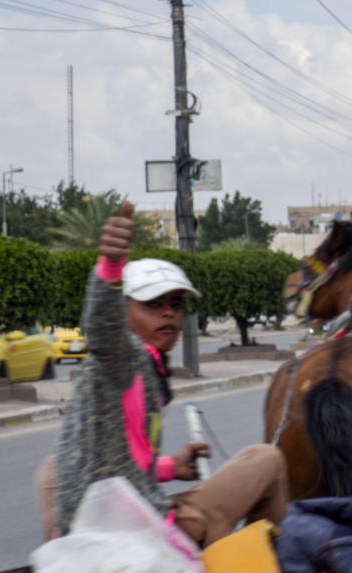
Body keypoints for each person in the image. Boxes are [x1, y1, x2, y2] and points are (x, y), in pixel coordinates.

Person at [34, 202, 289, 547]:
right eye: (152, 304)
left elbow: (119, 464)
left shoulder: (145, 369)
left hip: (96, 526)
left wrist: (170, 467)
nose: (168, 314)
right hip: (146, 535)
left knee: (51, 468)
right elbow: (100, 329)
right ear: (122, 311)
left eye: (176, 304)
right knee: (267, 458)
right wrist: (110, 263)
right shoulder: (124, 358)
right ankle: (270, 569)